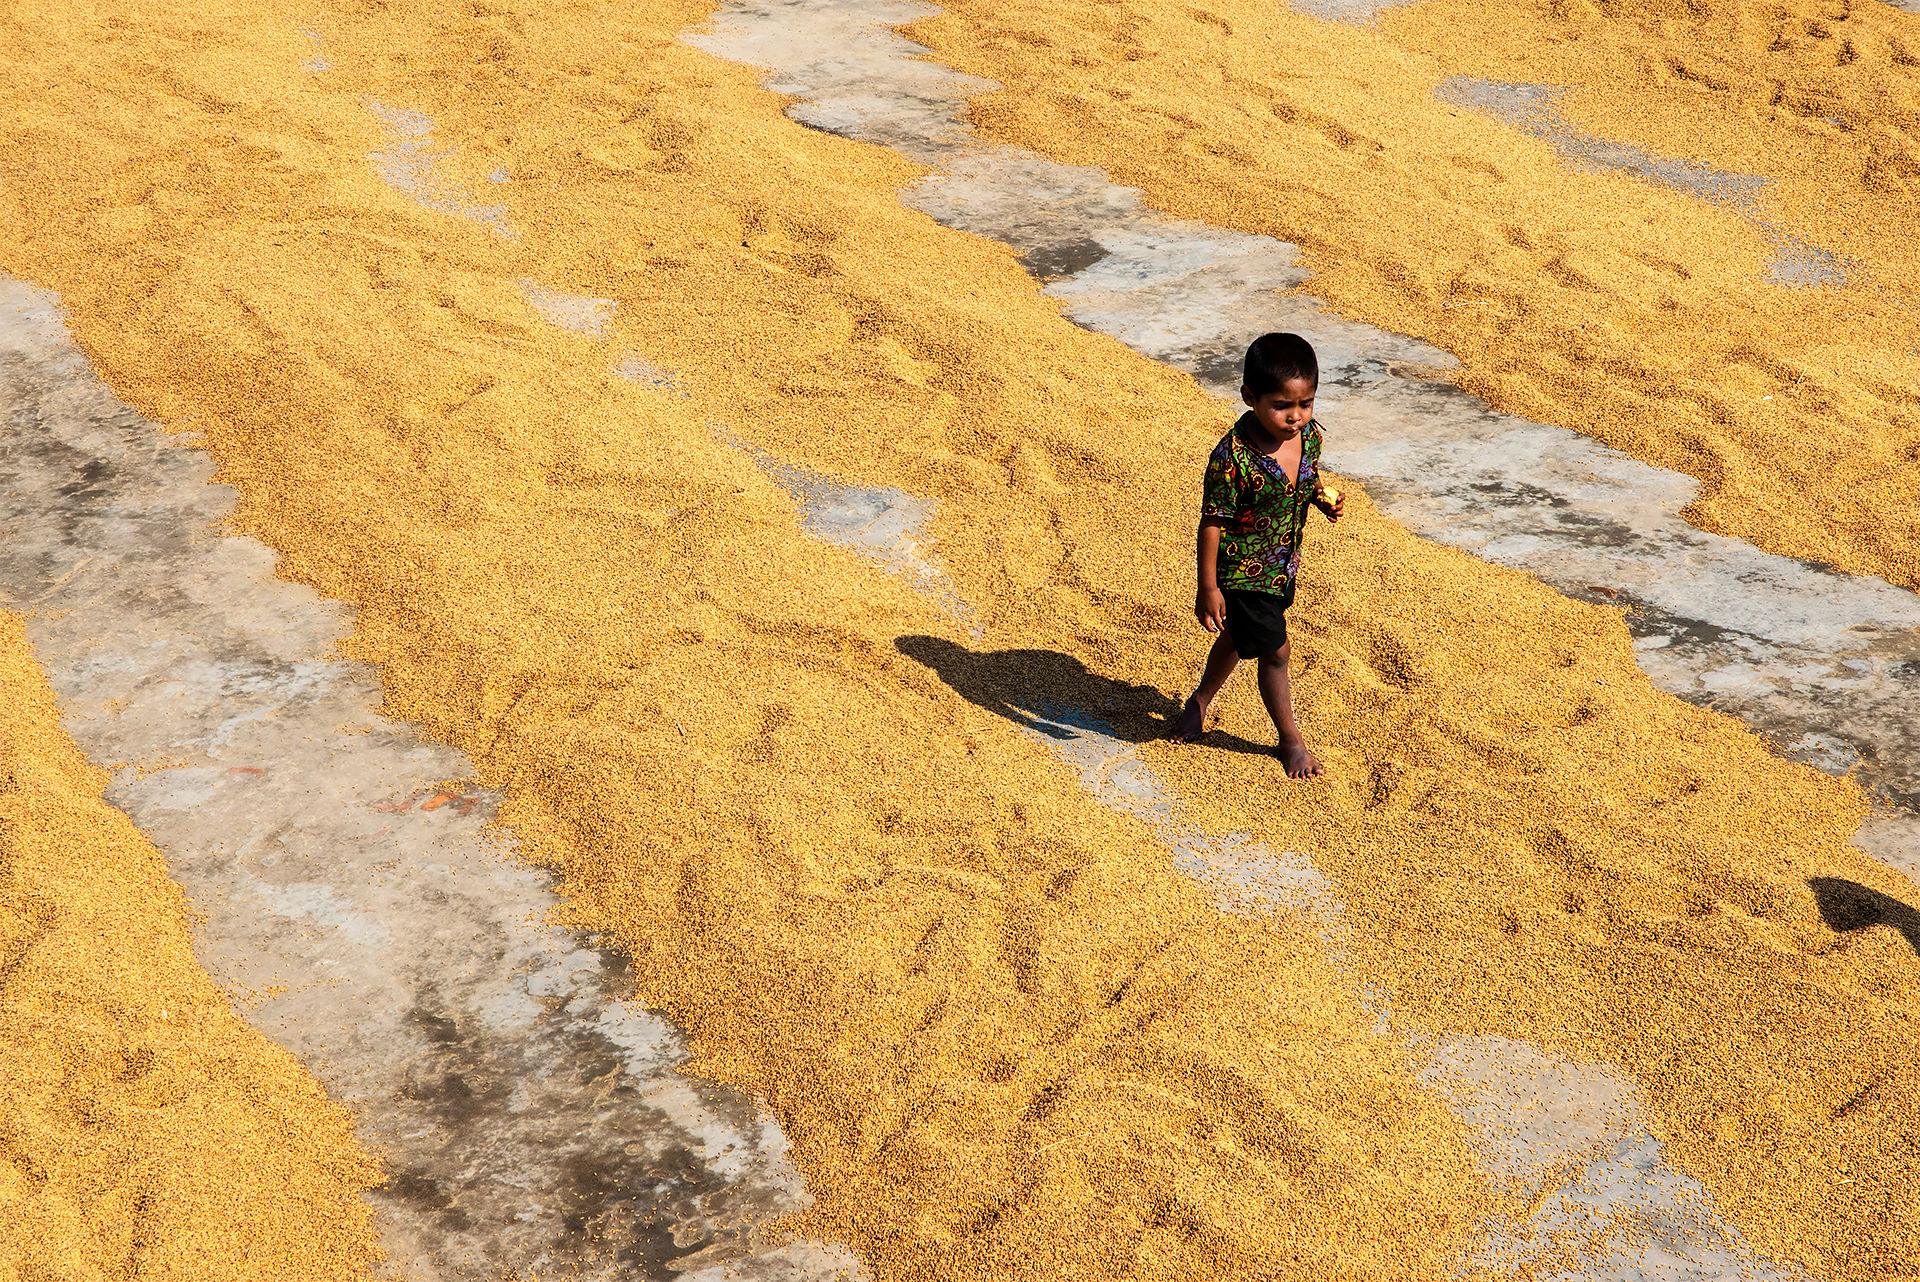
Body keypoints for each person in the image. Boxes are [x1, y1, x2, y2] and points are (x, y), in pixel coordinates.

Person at [1169, 332, 1342, 777]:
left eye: (1306, 404)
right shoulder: (1231, 457)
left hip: (1283, 567)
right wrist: (1207, 587)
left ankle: (1199, 703)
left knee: (1237, 639)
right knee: (1276, 651)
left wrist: (1320, 498)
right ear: (1249, 396)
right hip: (1241, 575)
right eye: (1282, 406)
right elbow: (1213, 521)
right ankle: (1291, 741)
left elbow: (1304, 480)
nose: (1296, 417)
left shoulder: (1309, 438)